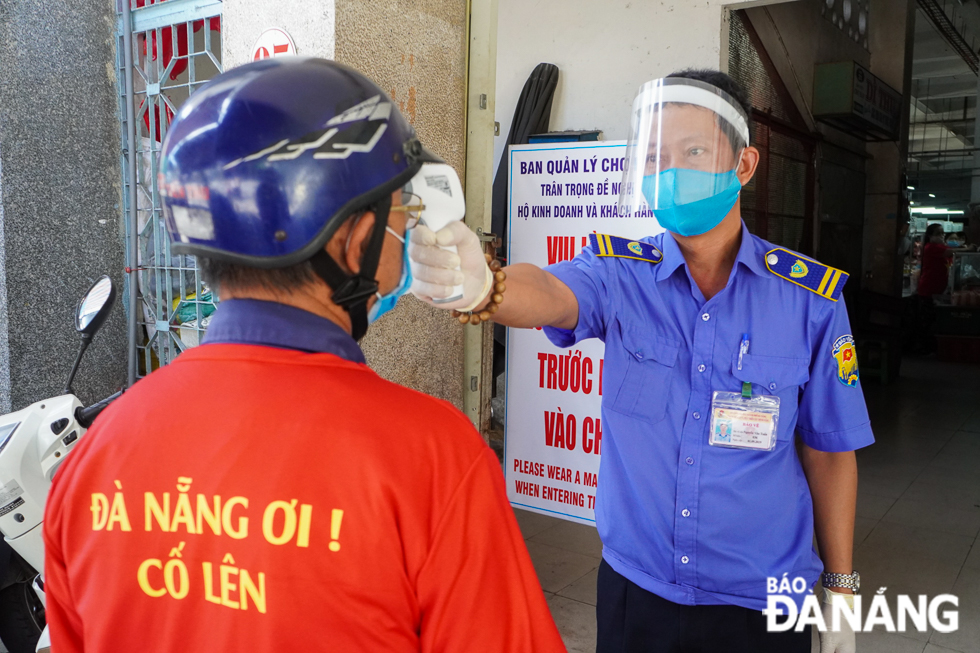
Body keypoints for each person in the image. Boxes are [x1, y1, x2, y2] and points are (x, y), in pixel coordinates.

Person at [43, 58, 565, 653]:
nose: (411, 232)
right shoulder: (434, 460)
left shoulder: (96, 455)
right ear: (355, 242)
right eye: (402, 211)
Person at [411, 70, 873, 653]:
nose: (670, 171)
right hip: (637, 591)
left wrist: (841, 588)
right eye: (654, 155)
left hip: (763, 600)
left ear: (745, 165)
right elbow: (551, 291)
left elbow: (831, 454)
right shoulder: (619, 272)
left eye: (695, 151)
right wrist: (486, 287)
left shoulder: (811, 301)